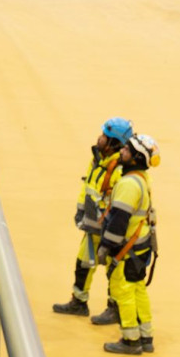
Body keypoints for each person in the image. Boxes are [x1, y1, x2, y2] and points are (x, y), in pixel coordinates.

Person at [52, 117, 133, 322]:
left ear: (114, 142)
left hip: (108, 227)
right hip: (92, 224)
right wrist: (81, 212)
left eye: (105, 136)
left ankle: (114, 308)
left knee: (114, 271)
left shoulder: (119, 169)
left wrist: (111, 229)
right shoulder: (97, 159)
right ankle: (79, 302)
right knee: (83, 263)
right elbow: (88, 186)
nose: (100, 138)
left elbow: (119, 203)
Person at [99, 132, 160, 355]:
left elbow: (118, 220)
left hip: (126, 250)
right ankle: (146, 336)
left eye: (127, 151)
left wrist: (106, 246)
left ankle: (130, 340)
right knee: (138, 290)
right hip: (141, 247)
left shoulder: (128, 185)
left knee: (122, 291)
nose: (121, 152)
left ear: (135, 158)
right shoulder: (143, 179)